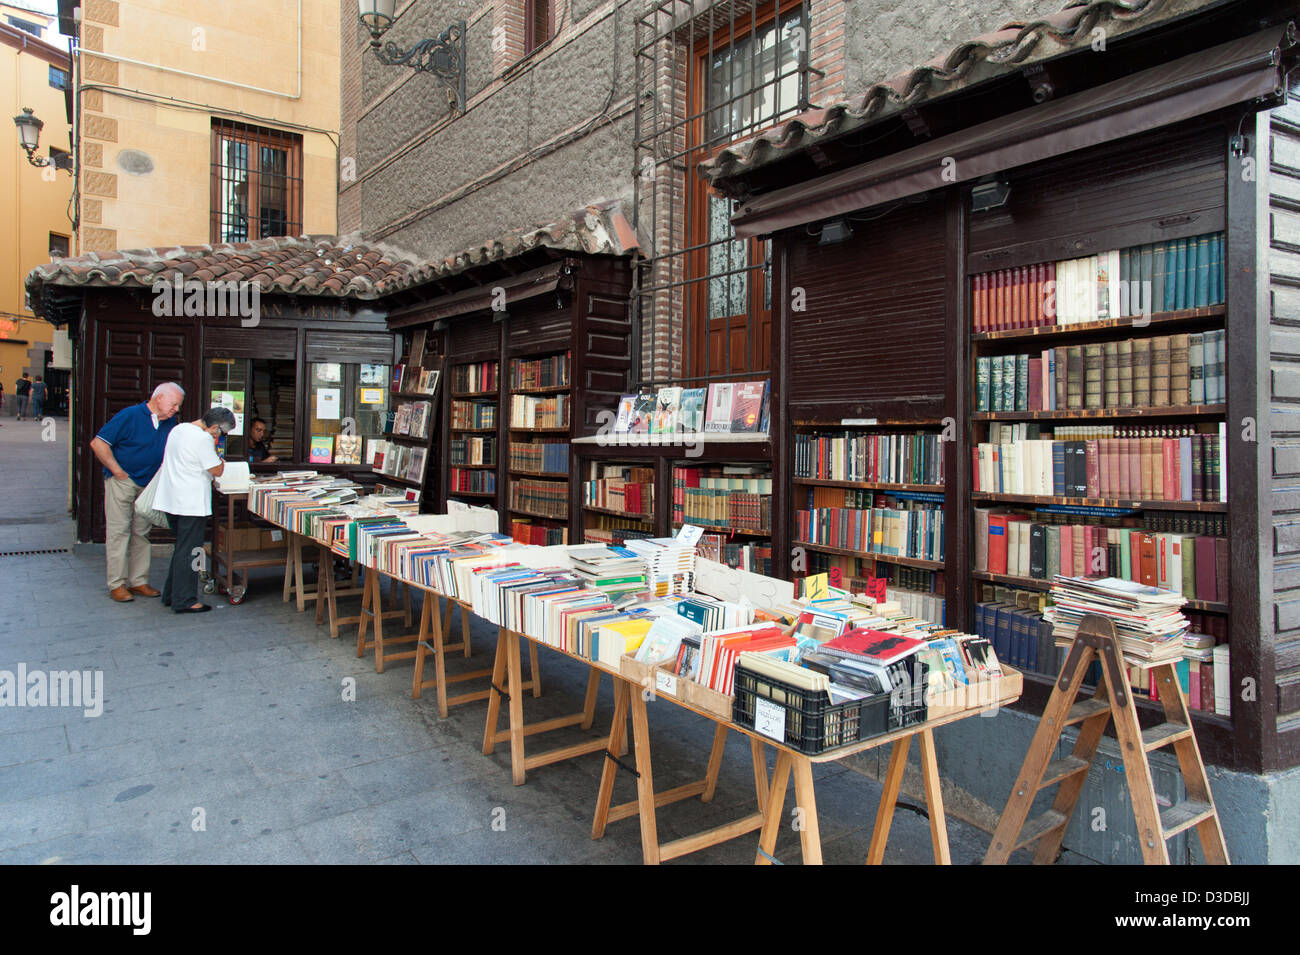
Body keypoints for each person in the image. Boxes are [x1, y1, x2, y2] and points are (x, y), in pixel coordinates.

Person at [90, 382, 185, 602]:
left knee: (141, 533)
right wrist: (117, 471)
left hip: (148, 484)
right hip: (123, 481)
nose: (176, 410)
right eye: (174, 404)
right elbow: (98, 443)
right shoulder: (130, 415)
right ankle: (117, 584)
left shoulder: (170, 422)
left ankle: (139, 581)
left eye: (178, 406)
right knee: (119, 531)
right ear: (159, 397)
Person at [154, 406, 234, 614]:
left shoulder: (179, 429)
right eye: (222, 432)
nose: (220, 436)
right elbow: (216, 469)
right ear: (215, 427)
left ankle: (171, 594)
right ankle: (185, 599)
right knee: (191, 551)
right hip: (190, 502)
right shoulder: (203, 439)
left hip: (172, 498)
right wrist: (221, 461)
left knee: (181, 547)